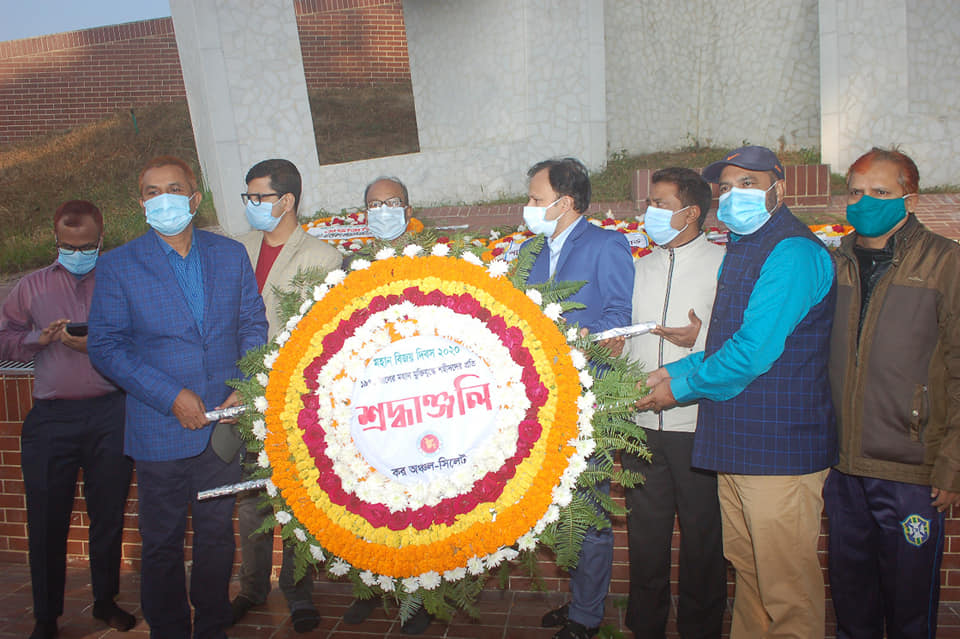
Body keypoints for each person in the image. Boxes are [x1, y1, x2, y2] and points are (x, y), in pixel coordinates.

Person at [638, 146, 837, 638]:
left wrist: (679, 388)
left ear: (778, 190)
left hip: (779, 449)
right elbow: (727, 343)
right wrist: (673, 372)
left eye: (748, 184)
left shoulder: (791, 252)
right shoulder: (747, 248)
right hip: (738, 442)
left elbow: (752, 352)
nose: (733, 195)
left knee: (785, 590)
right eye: (726, 187)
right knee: (750, 574)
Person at [88, 156, 268, 639]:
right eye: (152, 192)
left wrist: (241, 388)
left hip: (222, 427)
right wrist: (171, 397)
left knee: (216, 536)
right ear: (141, 203)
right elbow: (106, 347)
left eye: (173, 189)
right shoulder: (118, 265)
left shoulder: (229, 255)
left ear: (194, 198)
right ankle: (168, 629)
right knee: (161, 542)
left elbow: (252, 324)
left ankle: (211, 627)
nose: (163, 199)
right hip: (159, 428)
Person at [826, 147, 960, 638]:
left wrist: (952, 463)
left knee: (909, 609)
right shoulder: (835, 262)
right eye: (856, 191)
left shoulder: (946, 263)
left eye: (880, 192)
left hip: (910, 471)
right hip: (843, 469)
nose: (864, 202)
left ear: (911, 199)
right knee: (851, 603)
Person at [0, 201, 136, 639]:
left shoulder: (120, 280)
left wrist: (98, 344)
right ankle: (46, 617)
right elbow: (4, 338)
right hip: (52, 418)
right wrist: (36, 339)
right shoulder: (32, 287)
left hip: (111, 412)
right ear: (55, 239)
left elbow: (144, 337)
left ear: (101, 239)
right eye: (68, 246)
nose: (77, 254)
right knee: (45, 519)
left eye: (86, 246)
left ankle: (105, 601)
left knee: (108, 514)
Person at [524, 157, 634, 639]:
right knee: (559, 511)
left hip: (587, 397)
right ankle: (577, 601)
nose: (529, 206)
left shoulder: (606, 245)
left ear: (565, 202)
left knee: (588, 510)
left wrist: (582, 341)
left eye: (536, 199)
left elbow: (618, 316)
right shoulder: (529, 250)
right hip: (537, 399)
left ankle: (587, 615)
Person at [231, 159, 341, 632]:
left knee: (298, 498)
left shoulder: (324, 258)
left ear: (287, 200)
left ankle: (298, 591)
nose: (252, 205)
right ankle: (251, 589)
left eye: (259, 197)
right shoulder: (236, 249)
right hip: (241, 393)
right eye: (249, 197)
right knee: (251, 500)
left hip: (293, 397)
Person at [622, 168, 726, 639]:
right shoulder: (639, 267)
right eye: (649, 203)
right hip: (641, 423)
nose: (650, 212)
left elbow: (739, 343)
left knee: (703, 538)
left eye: (661, 204)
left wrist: (697, 338)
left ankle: (700, 628)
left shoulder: (723, 265)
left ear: (692, 212)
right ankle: (646, 625)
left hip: (697, 422)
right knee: (646, 536)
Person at [339, 174, 435, 636]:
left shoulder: (435, 258)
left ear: (408, 209)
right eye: (374, 205)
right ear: (364, 214)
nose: (383, 212)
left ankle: (417, 598)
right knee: (371, 498)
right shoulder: (349, 266)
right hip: (373, 401)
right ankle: (370, 589)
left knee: (417, 499)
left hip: (419, 396)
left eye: (392, 203)